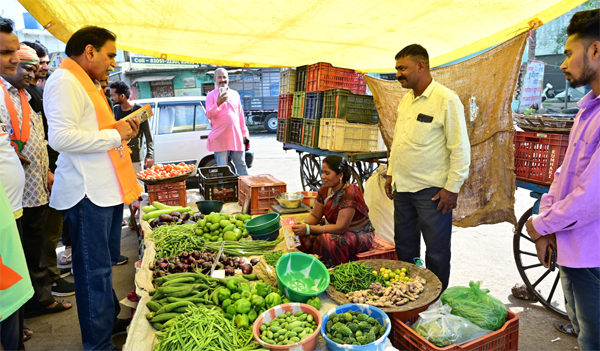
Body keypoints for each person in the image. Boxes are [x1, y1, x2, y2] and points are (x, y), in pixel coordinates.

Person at [44, 25, 142, 351]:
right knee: (93, 272)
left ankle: (107, 321)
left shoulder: (85, 83)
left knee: (102, 268)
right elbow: (61, 138)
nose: (113, 63)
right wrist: (116, 135)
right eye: (110, 55)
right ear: (89, 52)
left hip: (104, 188)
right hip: (87, 193)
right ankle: (98, 345)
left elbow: (91, 130)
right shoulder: (64, 81)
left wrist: (124, 129)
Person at [525, 9, 600, 351]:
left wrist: (542, 226)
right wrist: (547, 224)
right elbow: (563, 174)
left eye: (570, 53)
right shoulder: (588, 110)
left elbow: (590, 197)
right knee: (584, 332)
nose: (565, 63)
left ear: (595, 51)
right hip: (573, 249)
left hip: (593, 254)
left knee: (593, 340)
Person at [384, 44, 471, 291]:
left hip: (431, 192)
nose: (398, 73)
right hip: (403, 188)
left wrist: (452, 188)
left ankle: (435, 299)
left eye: (403, 68)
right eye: (397, 68)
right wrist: (391, 173)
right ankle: (408, 293)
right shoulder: (406, 102)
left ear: (421, 66)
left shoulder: (446, 100)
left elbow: (460, 149)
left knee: (437, 251)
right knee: (405, 246)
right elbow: (398, 142)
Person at [1, 43, 74, 319]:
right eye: (26, 68)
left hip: (35, 183)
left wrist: (46, 171)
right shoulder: (3, 94)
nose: (32, 74)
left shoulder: (24, 94)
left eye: (35, 69)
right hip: (17, 192)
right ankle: (34, 303)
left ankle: (39, 299)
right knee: (27, 247)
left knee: (36, 242)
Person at [21, 40, 75, 296]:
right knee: (41, 232)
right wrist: (48, 171)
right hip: (39, 177)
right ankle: (48, 281)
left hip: (49, 170)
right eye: (34, 64)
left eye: (42, 63)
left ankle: (50, 275)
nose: (39, 69)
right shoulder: (24, 93)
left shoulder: (33, 91)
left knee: (49, 229)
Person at [0, 16, 34, 350]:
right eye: (4, 52)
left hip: (12, 210)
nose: (15, 58)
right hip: (2, 217)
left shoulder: (5, 92)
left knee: (12, 290)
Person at [292, 156, 375, 266]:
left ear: (340, 175)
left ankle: (331, 271)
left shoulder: (349, 194)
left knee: (327, 241)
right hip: (333, 228)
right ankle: (306, 265)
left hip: (358, 234)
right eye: (322, 172)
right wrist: (302, 226)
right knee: (298, 236)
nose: (322, 177)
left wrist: (308, 229)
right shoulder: (324, 190)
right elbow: (315, 216)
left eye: (327, 173)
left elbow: (341, 228)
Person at [206, 68, 249, 175]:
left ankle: (246, 189)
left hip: (236, 136)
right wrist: (218, 103)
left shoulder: (235, 94)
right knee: (222, 168)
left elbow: (240, 116)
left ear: (228, 79)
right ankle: (223, 190)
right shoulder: (211, 95)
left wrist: (245, 134)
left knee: (241, 164)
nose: (222, 80)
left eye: (224, 77)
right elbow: (209, 115)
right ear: (215, 79)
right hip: (220, 138)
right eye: (219, 77)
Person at [110, 80, 154, 173]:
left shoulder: (140, 111)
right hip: (120, 155)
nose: (111, 98)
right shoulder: (115, 110)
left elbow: (148, 134)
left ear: (122, 96)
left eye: (113, 95)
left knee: (138, 183)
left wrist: (149, 155)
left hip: (136, 156)